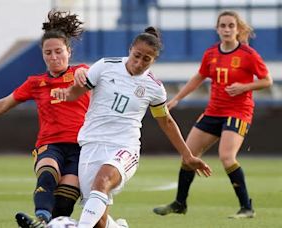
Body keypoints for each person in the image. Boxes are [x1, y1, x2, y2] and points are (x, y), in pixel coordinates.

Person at [0, 10, 90, 228]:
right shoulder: (35, 83)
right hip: (50, 144)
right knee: (47, 175)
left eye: (59, 51)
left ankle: (46, 224)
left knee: (65, 202)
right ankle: (41, 218)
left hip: (81, 147)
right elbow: (2, 105)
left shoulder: (82, 71)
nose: (54, 57)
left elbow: (96, 80)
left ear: (69, 51)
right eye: (48, 53)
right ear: (42, 54)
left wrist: (84, 77)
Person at [51, 26, 212, 228]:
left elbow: (166, 122)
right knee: (99, 221)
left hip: (124, 147)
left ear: (154, 60)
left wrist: (187, 155)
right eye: (137, 55)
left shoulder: (154, 88)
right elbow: (76, 93)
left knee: (103, 179)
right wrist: (68, 89)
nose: (139, 62)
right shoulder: (105, 66)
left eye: (147, 59)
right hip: (91, 144)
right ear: (130, 49)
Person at [152, 10, 273, 219]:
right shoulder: (211, 54)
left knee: (226, 157)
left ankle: (247, 207)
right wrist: (178, 98)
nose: (227, 29)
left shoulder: (248, 55)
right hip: (214, 111)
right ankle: (180, 203)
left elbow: (266, 80)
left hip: (238, 112)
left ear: (237, 29)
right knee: (188, 155)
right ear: (217, 29)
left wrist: (245, 87)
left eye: (231, 26)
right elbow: (199, 77)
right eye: (223, 26)